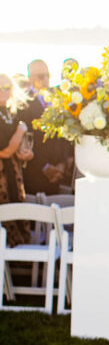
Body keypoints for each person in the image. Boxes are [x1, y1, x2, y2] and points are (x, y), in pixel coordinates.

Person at [19, 59, 72, 196]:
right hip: (35, 173)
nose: (46, 79)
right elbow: (27, 140)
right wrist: (45, 167)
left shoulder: (57, 99)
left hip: (57, 173)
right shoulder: (23, 103)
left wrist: (62, 164)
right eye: (41, 76)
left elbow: (64, 134)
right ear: (31, 78)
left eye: (48, 75)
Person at [0, 74, 33, 246]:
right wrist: (21, 130)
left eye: (7, 87)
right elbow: (5, 151)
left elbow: (17, 151)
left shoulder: (10, 113)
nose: (3, 91)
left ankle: (15, 270)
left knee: (17, 223)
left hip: (14, 178)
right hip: (1, 181)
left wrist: (25, 154)